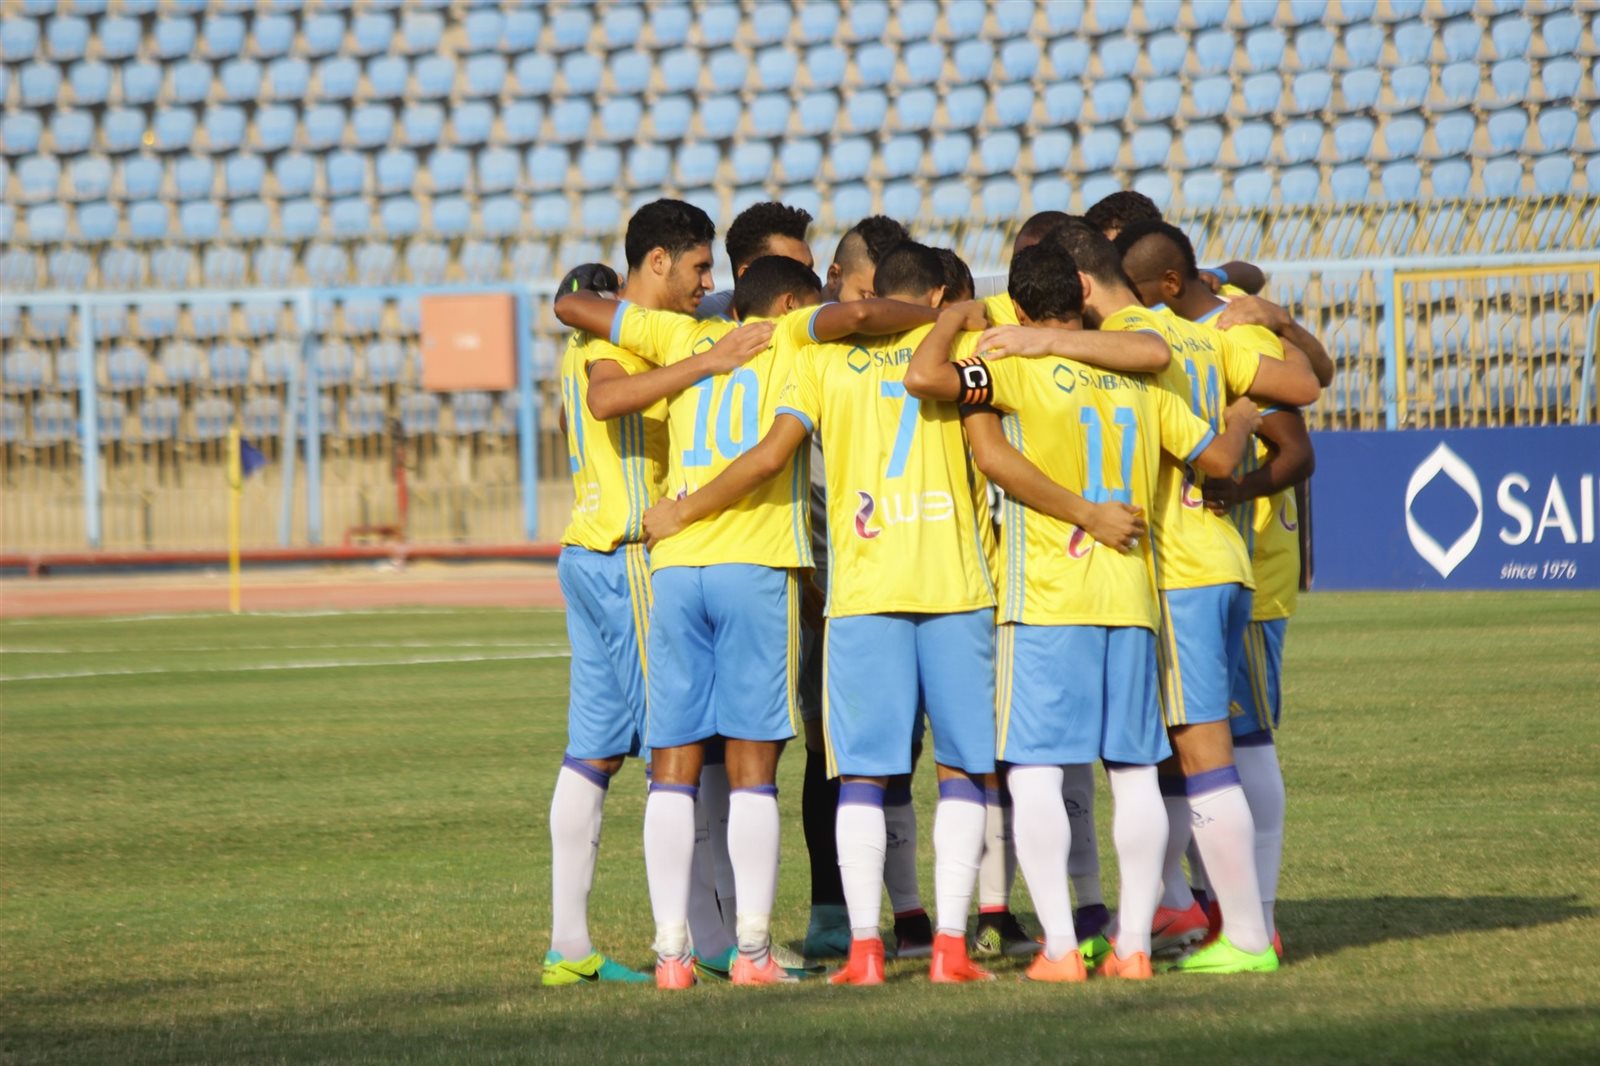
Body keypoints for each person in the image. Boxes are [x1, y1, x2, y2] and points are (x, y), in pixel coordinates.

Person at [556, 254, 945, 987]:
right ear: (792, 303)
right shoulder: (794, 336)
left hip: (675, 570)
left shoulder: (678, 336)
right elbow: (862, 315)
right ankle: (754, 951)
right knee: (751, 773)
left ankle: (671, 956)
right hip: (753, 567)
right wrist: (940, 315)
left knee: (672, 768)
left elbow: (578, 308)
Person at [643, 242, 1000, 986]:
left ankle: (831, 951)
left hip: (841, 590)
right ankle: (949, 946)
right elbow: (990, 448)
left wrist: (677, 509)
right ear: (937, 296)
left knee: (836, 775)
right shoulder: (947, 346)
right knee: (959, 769)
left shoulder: (778, 355)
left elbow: (590, 324)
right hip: (945, 582)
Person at [904, 241, 1261, 981]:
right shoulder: (1136, 379)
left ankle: (1062, 948)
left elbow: (928, 381)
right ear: (1082, 296)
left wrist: (958, 319)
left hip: (1046, 596)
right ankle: (1134, 947)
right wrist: (1240, 419)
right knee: (1133, 771)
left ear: (1021, 306)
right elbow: (1218, 460)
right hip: (1131, 594)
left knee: (1034, 769)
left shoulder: (1012, 364)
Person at [973, 221, 1318, 974]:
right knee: (1201, 751)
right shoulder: (1199, 336)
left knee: (1201, 754)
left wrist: (1038, 341)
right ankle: (1189, 915)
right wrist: (1248, 394)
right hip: (1223, 561)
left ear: (1080, 286)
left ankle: (1245, 933)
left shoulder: (1121, 352)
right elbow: (1302, 386)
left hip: (1168, 570)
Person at [541, 203, 774, 987]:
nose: (707, 283)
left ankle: (569, 945)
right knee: (680, 751)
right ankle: (706, 937)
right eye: (699, 268)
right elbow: (608, 399)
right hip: (630, 556)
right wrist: (709, 364)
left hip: (586, 551)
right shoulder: (619, 338)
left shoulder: (618, 327)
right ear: (659, 262)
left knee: (593, 753)